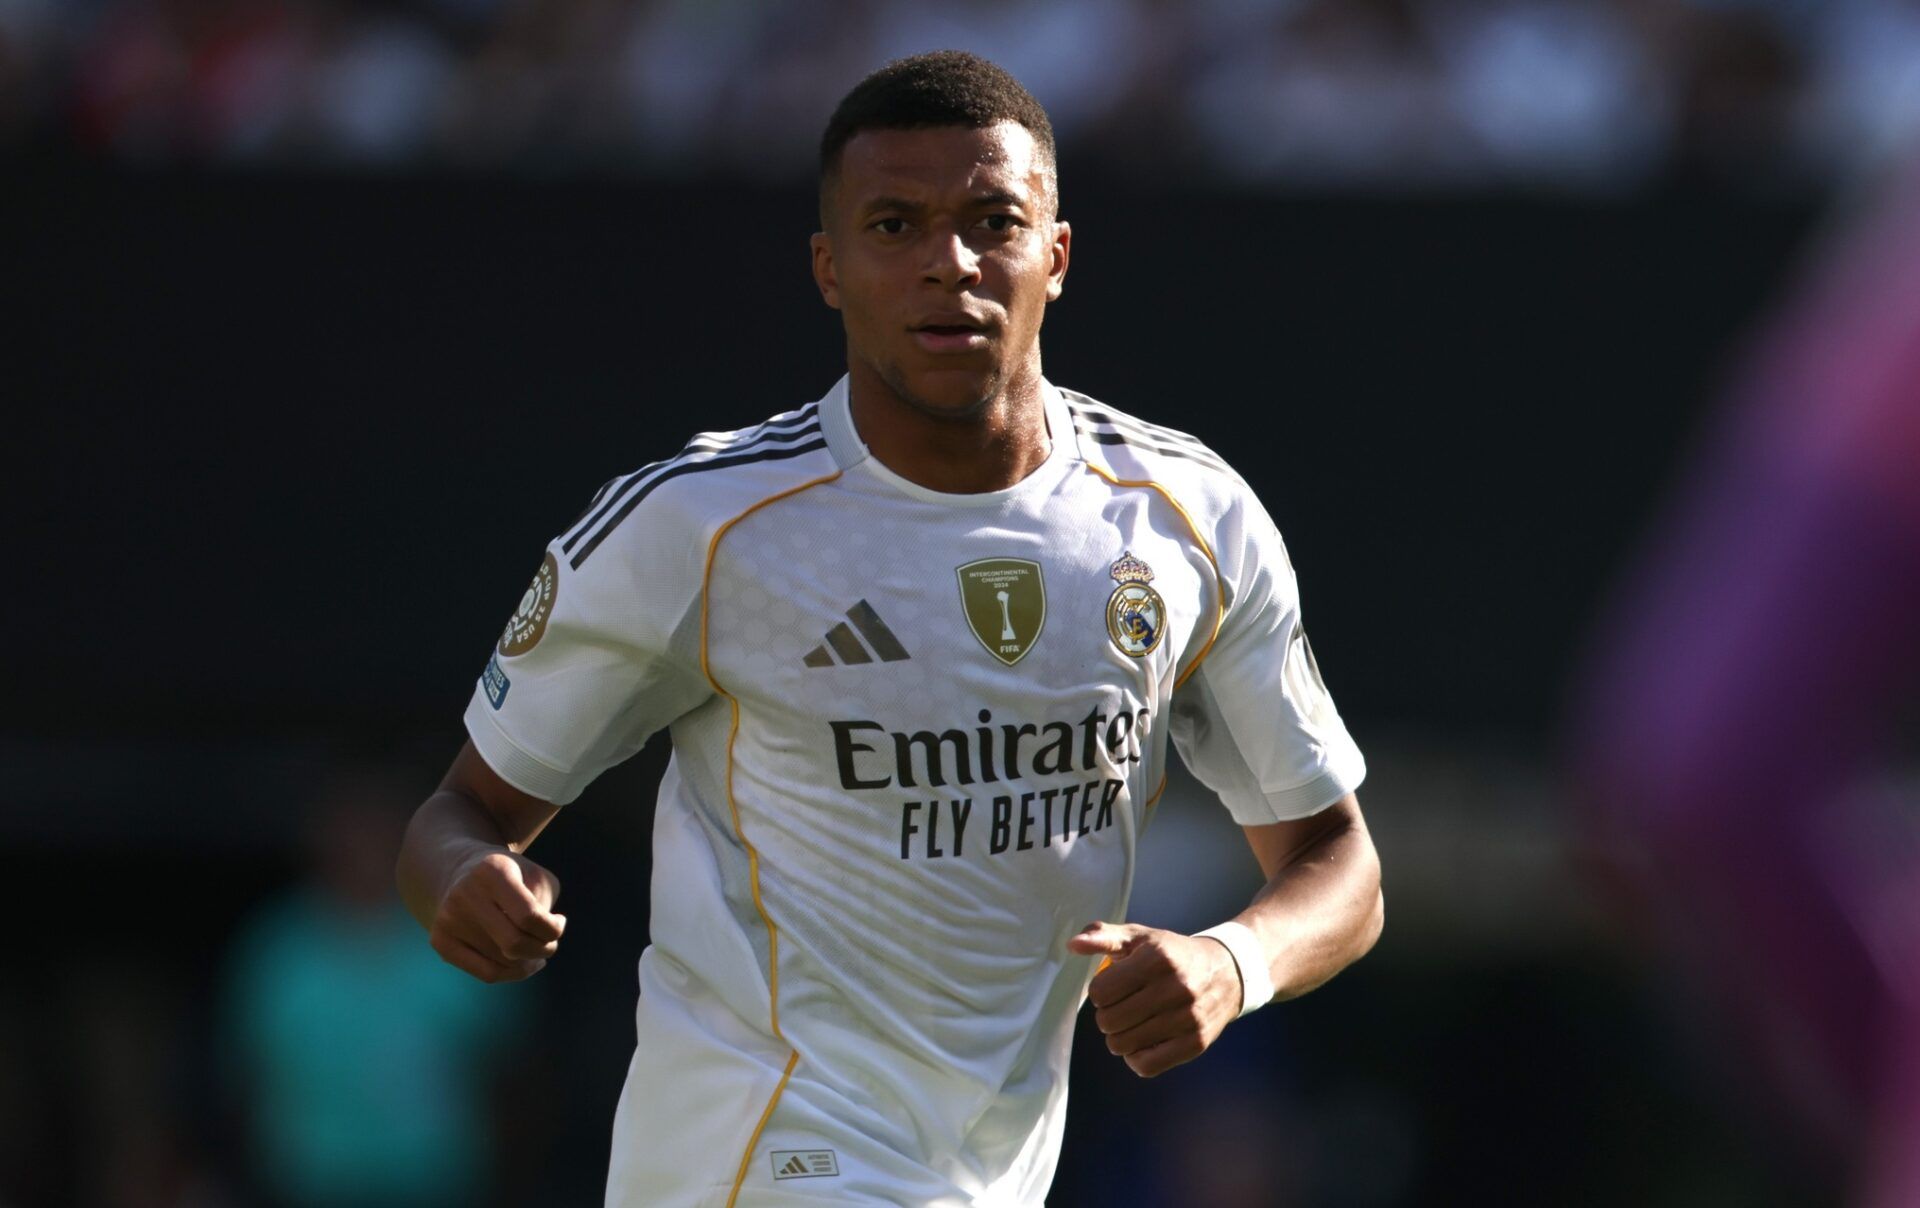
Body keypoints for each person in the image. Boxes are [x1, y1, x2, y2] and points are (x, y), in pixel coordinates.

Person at [397, 50, 1384, 1208]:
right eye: (894, 224)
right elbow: (457, 813)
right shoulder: (701, 525)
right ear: (830, 267)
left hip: (987, 1172)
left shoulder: (1187, 518)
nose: (948, 262)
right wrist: (464, 877)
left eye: (991, 221)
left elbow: (1340, 863)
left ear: (1055, 255)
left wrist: (1235, 960)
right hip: (759, 1156)